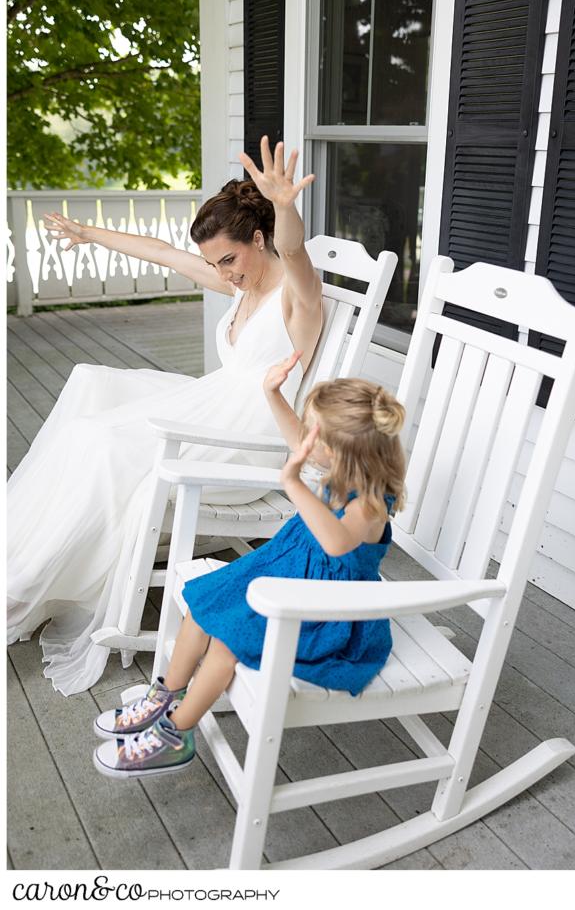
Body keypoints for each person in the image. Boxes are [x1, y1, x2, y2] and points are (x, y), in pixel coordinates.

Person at [7, 137, 324, 696]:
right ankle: (20, 551)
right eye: (214, 264)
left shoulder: (297, 298)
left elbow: (294, 253)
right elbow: (160, 252)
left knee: (101, 442)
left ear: (259, 237)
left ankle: (24, 582)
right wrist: (88, 234)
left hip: (251, 433)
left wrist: (284, 205)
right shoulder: (240, 282)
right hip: (215, 402)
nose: (223, 274)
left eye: (230, 259)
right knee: (93, 384)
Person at [92, 365, 406, 778]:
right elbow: (297, 442)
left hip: (328, 610)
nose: (305, 439)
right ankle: (166, 696)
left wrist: (292, 483)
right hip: (291, 574)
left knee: (228, 641)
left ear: (342, 452)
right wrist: (272, 394)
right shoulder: (340, 470)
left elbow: (336, 543)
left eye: (315, 433)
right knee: (205, 601)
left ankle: (177, 734)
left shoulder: (368, 504)